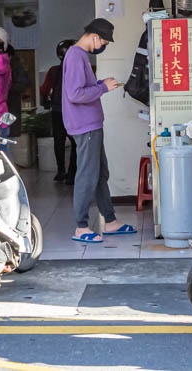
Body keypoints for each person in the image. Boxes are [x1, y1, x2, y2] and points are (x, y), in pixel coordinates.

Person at [63, 18, 136, 244]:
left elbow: (83, 89)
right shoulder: (76, 55)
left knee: (100, 174)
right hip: (85, 127)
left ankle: (111, 221)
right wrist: (103, 87)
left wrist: (100, 84)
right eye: (104, 41)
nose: (104, 45)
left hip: (92, 125)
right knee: (87, 176)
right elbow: (75, 94)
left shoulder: (81, 56)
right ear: (94, 36)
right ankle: (81, 227)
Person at [40, 39, 77, 183]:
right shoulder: (76, 69)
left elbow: (44, 89)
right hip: (73, 111)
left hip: (56, 110)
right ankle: (72, 174)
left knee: (59, 141)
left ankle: (60, 170)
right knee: (75, 143)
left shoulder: (53, 70)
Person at [0, 26, 30, 138]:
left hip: (8, 110)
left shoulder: (12, 61)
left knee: (4, 144)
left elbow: (23, 83)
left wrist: (3, 88)